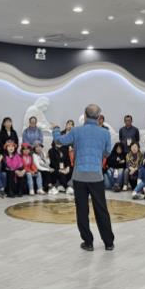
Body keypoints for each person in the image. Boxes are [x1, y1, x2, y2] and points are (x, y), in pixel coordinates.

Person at [52, 104, 115, 252]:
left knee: (82, 210)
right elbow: (107, 152)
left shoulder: (76, 131)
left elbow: (59, 141)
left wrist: (55, 129)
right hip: (96, 176)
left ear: (85, 115)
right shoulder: (105, 133)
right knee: (101, 210)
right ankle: (108, 243)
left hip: (79, 176)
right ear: (98, 117)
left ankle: (88, 242)